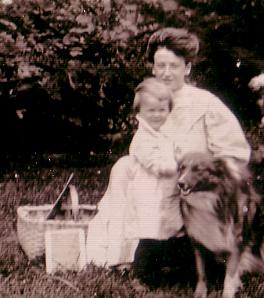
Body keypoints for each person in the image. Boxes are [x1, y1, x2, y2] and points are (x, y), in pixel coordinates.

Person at [86, 27, 251, 269]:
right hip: (161, 173)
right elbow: (145, 144)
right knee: (122, 168)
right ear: (152, 68)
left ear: (187, 68)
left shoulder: (205, 104)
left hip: (194, 179)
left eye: (173, 66)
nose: (166, 73)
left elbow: (234, 153)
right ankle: (122, 252)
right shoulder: (152, 100)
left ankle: (164, 253)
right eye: (160, 66)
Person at [86, 77, 183, 267]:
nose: (157, 115)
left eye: (162, 110)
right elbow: (156, 165)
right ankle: (142, 271)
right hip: (148, 195)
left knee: (170, 230)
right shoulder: (142, 139)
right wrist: (177, 164)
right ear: (139, 113)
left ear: (169, 111)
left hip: (167, 193)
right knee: (148, 234)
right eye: (151, 111)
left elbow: (178, 149)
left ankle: (170, 263)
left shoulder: (167, 133)